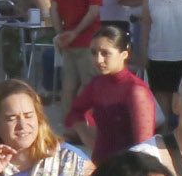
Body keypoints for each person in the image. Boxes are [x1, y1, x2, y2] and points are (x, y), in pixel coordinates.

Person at [68, 26, 160, 166]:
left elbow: (144, 146)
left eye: (106, 53)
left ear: (124, 54)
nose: (98, 60)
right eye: (94, 53)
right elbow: (75, 112)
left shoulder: (135, 90)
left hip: (127, 169)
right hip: (100, 164)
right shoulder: (97, 84)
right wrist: (89, 139)